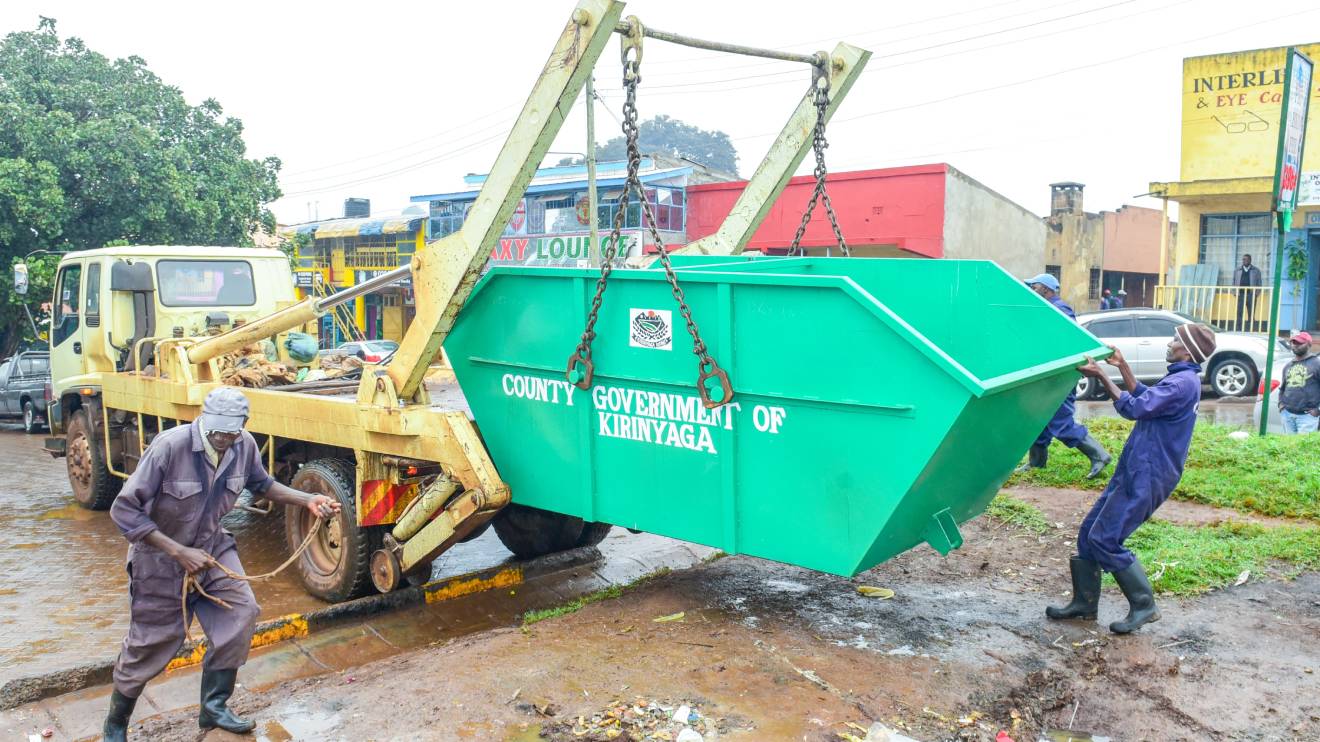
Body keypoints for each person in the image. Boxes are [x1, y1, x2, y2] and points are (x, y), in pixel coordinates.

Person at [103, 387, 341, 741]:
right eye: (219, 433)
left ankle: (213, 706)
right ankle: (116, 723)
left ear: (243, 425)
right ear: (204, 421)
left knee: (241, 613)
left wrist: (308, 499)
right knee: (150, 644)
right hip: (159, 559)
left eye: (233, 432)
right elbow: (124, 511)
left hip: (212, 549)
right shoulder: (169, 447)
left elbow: (263, 485)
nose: (226, 439)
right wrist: (178, 552)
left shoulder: (242, 445)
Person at [1053, 322, 1216, 634]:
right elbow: (1146, 395)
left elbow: (1135, 408)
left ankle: (1144, 605)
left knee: (1105, 538)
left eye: (1175, 340)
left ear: (1187, 350)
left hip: (1149, 474)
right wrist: (1123, 367)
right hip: (1137, 468)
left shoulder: (1182, 384)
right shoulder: (1181, 379)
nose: (1170, 344)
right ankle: (1084, 605)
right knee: (1089, 533)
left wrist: (1102, 375)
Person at [1018, 273, 1112, 478]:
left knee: (1061, 422)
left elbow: (1066, 343)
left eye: (1034, 287)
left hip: (1059, 378)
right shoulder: (1047, 309)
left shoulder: (1060, 309)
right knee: (1038, 418)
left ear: (1046, 289)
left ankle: (1099, 455)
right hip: (1049, 377)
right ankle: (1036, 462)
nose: (1031, 291)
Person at [1278, 331, 1320, 435]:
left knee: (1303, 448)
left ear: (1309, 344)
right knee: (1290, 447)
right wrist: (1281, 405)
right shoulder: (1288, 365)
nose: (1295, 346)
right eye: (1293, 343)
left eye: (1300, 343)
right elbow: (1283, 388)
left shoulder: (1316, 364)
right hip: (1287, 415)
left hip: (1307, 417)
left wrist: (1318, 410)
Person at [1233, 254, 1262, 332]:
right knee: (1239, 312)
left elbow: (1259, 283)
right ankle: (1238, 329)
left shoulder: (1256, 270)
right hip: (1240, 295)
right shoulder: (1237, 270)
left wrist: (1256, 294)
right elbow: (1234, 281)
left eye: (1246, 259)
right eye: (1243, 259)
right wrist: (1235, 292)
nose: (1244, 261)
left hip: (1251, 295)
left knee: (1251, 313)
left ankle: (1250, 329)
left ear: (1250, 260)